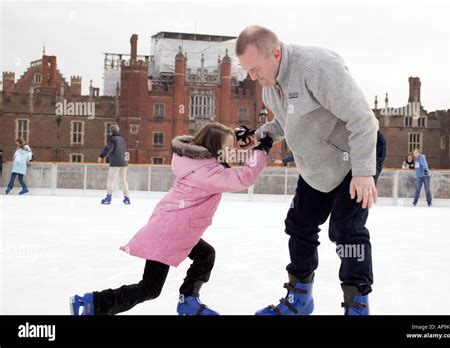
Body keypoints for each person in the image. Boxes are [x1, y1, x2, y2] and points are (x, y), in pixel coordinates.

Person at [236, 26, 386, 315]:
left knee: (346, 229)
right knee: (299, 224)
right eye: (247, 71)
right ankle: (299, 298)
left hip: (355, 155)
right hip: (317, 162)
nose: (253, 78)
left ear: (275, 53)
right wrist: (259, 136)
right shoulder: (270, 87)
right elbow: (286, 123)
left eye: (255, 69)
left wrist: (363, 172)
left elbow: (363, 120)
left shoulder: (318, 67)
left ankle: (357, 304)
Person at [70, 122, 273, 316]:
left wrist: (244, 139)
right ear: (214, 148)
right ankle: (92, 303)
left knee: (205, 255)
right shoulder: (208, 171)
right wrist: (260, 151)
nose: (232, 151)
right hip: (171, 232)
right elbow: (242, 178)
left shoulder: (198, 161)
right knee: (150, 288)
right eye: (228, 147)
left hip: (173, 227)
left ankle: (188, 301)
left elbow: (221, 146)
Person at [98, 125, 131, 205]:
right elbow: (126, 150)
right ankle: (127, 198)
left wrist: (101, 156)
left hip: (115, 163)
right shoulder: (122, 139)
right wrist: (126, 161)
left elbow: (108, 148)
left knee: (111, 180)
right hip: (124, 163)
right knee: (123, 180)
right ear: (118, 130)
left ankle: (108, 197)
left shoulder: (112, 139)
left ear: (111, 131)